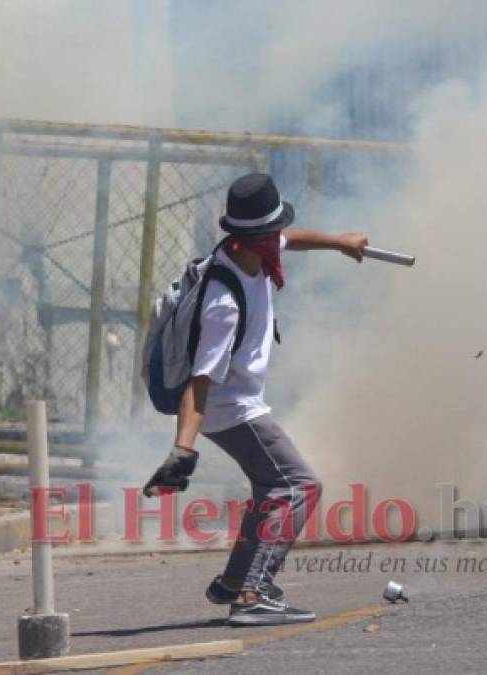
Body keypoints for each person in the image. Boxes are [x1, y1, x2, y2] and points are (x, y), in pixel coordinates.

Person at [143, 173, 368, 625]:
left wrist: (339, 242)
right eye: (271, 234)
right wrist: (182, 450)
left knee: (272, 487)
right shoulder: (223, 302)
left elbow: (290, 238)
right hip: (232, 410)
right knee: (300, 485)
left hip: (238, 403)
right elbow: (200, 381)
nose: (278, 241)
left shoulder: (248, 250)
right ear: (251, 237)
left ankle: (235, 579)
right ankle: (250, 595)